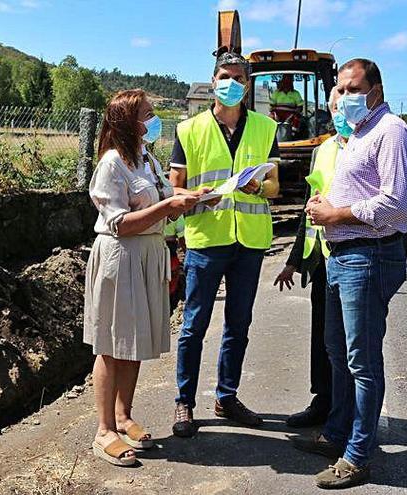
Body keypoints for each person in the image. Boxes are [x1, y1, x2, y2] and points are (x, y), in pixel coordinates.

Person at [293, 58, 407, 489]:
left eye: (352, 88)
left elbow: (396, 204)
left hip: (369, 256)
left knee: (362, 361)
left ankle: (358, 455)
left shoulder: (391, 132)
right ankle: (338, 433)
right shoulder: (356, 136)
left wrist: (337, 212)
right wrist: (324, 208)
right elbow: (358, 191)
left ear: (375, 91)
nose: (343, 97)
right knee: (337, 352)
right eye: (340, 89)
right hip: (340, 255)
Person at [84, 89, 201, 466]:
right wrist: (168, 206)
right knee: (111, 343)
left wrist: (197, 197)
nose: (155, 119)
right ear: (127, 122)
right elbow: (118, 223)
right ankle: (104, 432)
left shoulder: (146, 158)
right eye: (148, 113)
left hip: (148, 254)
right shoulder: (112, 164)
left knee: (131, 342)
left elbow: (165, 196)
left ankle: (123, 415)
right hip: (122, 257)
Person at [168, 50, 281, 438]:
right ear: (213, 81)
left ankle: (226, 396)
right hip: (206, 239)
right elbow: (175, 186)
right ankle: (184, 402)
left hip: (248, 242)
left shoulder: (266, 128)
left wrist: (258, 186)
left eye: (237, 78)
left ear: (247, 86)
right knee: (194, 325)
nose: (230, 83)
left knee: (239, 324)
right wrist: (199, 195)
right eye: (224, 76)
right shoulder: (189, 130)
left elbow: (275, 186)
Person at [274, 86, 350, 428]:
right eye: (335, 106)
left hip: (354, 256)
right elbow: (310, 206)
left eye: (344, 105)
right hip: (323, 258)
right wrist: (294, 259)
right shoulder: (324, 150)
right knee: (324, 335)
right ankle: (324, 399)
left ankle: (350, 413)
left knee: (353, 342)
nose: (340, 112)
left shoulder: (370, 146)